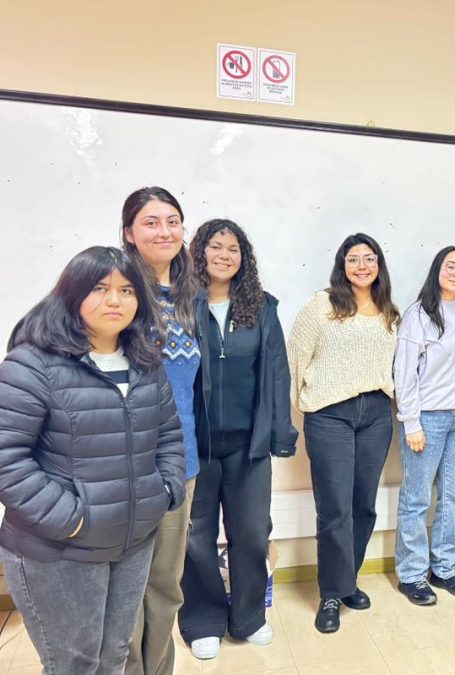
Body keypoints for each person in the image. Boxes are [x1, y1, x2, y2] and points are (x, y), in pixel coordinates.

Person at [0, 246, 186, 675]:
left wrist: (164, 492)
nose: (115, 300)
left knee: (112, 658)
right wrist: (71, 518)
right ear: (71, 294)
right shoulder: (32, 363)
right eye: (100, 288)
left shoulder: (145, 362)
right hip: (60, 549)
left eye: (127, 290)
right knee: (74, 664)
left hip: (132, 542)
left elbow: (169, 435)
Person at [179, 219, 298, 658]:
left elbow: (277, 373)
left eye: (233, 249)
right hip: (198, 445)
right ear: (200, 252)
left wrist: (280, 435)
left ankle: (249, 617)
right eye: (216, 246)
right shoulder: (182, 306)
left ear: (243, 258)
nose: (225, 255)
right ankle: (202, 619)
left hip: (249, 446)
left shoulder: (263, 307)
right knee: (196, 537)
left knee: (250, 533)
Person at [287, 233, 399, 632]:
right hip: (330, 414)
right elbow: (297, 357)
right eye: (354, 259)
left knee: (363, 504)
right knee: (334, 506)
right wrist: (306, 405)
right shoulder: (322, 305)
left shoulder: (389, 311)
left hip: (376, 414)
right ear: (342, 264)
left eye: (370, 258)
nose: (363, 265)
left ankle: (347, 579)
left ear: (379, 265)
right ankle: (331, 594)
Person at [121, 186, 205, 675]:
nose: (164, 230)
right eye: (150, 222)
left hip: (181, 461)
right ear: (130, 233)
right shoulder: (117, 291)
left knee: (166, 585)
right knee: (127, 588)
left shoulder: (190, 297)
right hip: (123, 465)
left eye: (173, 220)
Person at [393, 245, 455, 606]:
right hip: (427, 418)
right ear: (437, 270)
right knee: (416, 498)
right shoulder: (418, 314)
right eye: (451, 266)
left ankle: (445, 567)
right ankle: (412, 574)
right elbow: (404, 372)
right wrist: (411, 422)